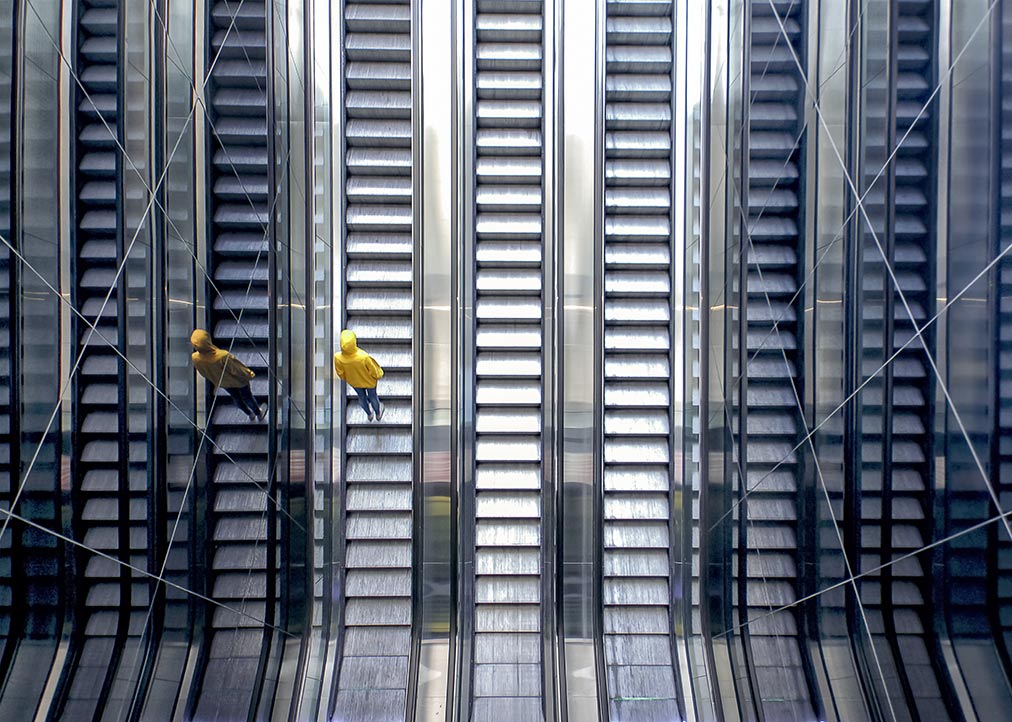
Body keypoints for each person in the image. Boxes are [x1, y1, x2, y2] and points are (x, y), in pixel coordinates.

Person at [190, 329, 267, 422]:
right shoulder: (222, 355)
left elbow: (202, 372)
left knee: (236, 398)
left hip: (223, 383)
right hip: (239, 381)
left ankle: (249, 414)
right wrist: (249, 374)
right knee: (247, 397)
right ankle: (258, 413)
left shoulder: (195, 357)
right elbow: (236, 369)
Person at [334, 329, 385, 421]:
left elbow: (340, 373)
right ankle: (378, 413)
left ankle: (369, 414)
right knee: (372, 396)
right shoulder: (363, 357)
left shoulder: (338, 357)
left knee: (361, 397)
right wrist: (379, 375)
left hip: (354, 382)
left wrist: (348, 378)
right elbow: (374, 370)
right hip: (369, 382)